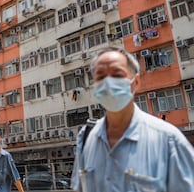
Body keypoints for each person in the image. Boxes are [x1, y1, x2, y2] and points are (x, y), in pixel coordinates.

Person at [71, 46, 194, 192]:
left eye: (117, 75)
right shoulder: (86, 137)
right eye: (101, 77)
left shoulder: (168, 140)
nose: (109, 83)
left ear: (135, 82)